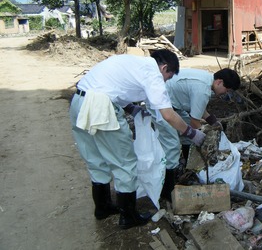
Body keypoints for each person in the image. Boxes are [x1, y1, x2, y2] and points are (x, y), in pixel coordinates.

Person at [69, 50, 206, 229]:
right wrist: (191, 133)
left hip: (79, 101)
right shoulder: (153, 74)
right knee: (125, 163)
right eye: (168, 77)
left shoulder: (132, 62)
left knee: (95, 159)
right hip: (100, 107)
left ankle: (102, 207)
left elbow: (116, 85)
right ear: (164, 68)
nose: (165, 81)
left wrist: (130, 108)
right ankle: (129, 216)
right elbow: (168, 115)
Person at [148, 68, 241, 201]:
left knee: (188, 137)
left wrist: (212, 121)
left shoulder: (206, 80)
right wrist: (205, 138)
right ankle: (166, 191)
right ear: (219, 82)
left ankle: (188, 170)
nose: (225, 94)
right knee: (173, 145)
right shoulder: (203, 90)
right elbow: (194, 123)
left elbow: (198, 108)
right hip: (159, 105)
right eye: (227, 90)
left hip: (173, 104)